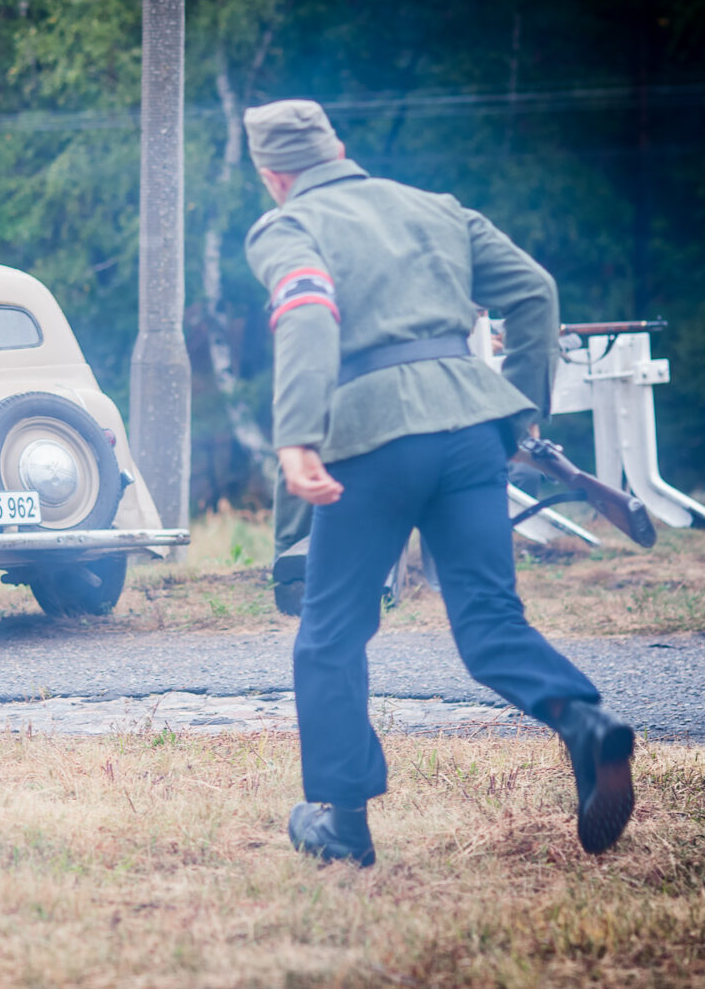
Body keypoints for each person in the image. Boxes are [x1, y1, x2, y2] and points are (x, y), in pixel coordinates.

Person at [243, 99, 636, 865]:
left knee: (330, 634)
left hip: (373, 439)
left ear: (271, 176)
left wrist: (296, 436)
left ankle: (343, 824)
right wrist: (520, 416)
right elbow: (536, 292)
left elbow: (309, 311)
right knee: (490, 620)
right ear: (340, 149)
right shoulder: (438, 209)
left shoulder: (287, 226)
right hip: (471, 428)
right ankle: (586, 723)